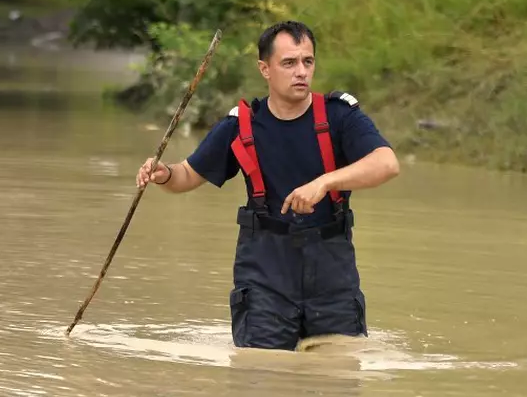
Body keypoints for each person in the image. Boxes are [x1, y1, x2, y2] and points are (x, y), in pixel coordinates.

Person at [136, 21, 400, 351]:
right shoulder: (240, 125)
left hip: (332, 274)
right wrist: (163, 174)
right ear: (265, 69)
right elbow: (186, 176)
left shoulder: (340, 116)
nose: (301, 72)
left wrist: (324, 183)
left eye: (308, 61)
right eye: (289, 63)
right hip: (264, 275)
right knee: (261, 380)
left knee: (337, 385)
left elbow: (387, 163)